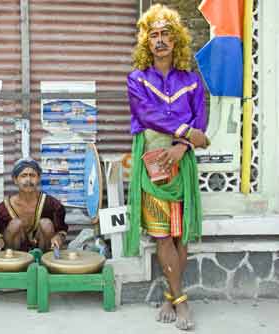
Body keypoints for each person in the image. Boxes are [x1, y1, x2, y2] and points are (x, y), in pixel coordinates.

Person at [125, 4, 210, 331]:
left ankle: (169, 295)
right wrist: (188, 134)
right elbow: (147, 115)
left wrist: (181, 147)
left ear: (177, 41)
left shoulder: (191, 80)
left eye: (166, 35)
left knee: (180, 234)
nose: (160, 41)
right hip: (151, 164)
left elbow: (200, 117)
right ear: (147, 42)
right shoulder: (137, 79)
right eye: (154, 35)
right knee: (162, 235)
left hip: (181, 163)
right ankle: (182, 301)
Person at [0, 158, 68, 252]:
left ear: (39, 179)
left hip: (42, 251)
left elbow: (61, 230)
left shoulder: (52, 204)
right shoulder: (3, 208)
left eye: (32, 175)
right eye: (23, 176)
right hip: (15, 255)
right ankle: (13, 264)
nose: (28, 180)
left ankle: (43, 263)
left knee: (46, 223)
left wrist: (59, 238)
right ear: (15, 180)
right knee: (15, 224)